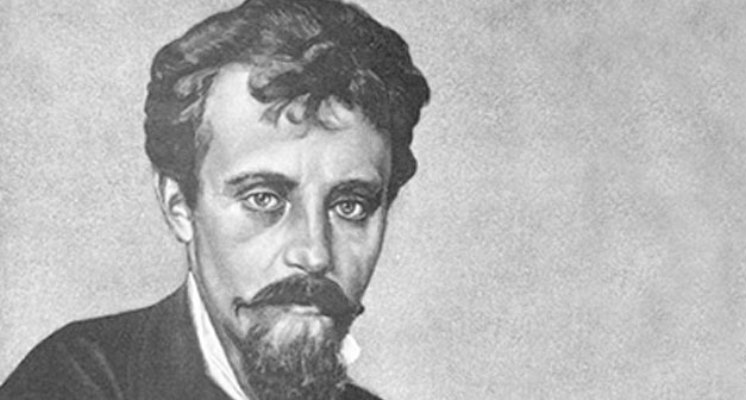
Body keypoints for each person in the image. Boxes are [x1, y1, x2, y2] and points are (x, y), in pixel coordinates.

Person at [0, 0, 429, 399]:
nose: (314, 254)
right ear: (179, 206)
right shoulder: (69, 383)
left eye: (350, 206)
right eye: (264, 199)